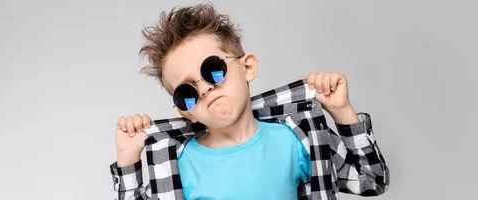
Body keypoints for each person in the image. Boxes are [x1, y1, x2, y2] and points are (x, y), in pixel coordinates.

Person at [110, 3, 389, 199]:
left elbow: (371, 180)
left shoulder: (298, 138)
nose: (206, 89)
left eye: (213, 70)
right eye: (187, 92)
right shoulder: (177, 165)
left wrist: (342, 112)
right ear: (186, 112)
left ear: (248, 68)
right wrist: (128, 161)